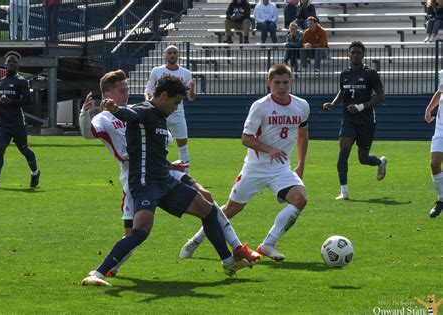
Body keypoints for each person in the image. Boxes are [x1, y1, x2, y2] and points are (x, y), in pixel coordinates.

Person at [79, 70, 259, 278]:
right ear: (164, 96)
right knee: (138, 234)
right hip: (143, 181)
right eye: (175, 102)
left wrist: (170, 166)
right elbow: (128, 116)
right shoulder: (141, 110)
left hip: (164, 178)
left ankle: (229, 260)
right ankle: (100, 273)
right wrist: (112, 109)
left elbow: (149, 147)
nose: (176, 108)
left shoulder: (160, 116)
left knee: (207, 208)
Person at [180, 64, 310, 262]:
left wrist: (300, 164)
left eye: (285, 82)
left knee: (300, 199)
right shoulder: (260, 106)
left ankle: (268, 244)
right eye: (277, 83)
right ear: (269, 84)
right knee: (230, 210)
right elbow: (246, 138)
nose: (281, 87)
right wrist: (269, 149)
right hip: (255, 169)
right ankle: (195, 241)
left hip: (281, 169)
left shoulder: (302, 106)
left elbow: (303, 134)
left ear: (291, 82)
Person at [323, 41, 386, 200]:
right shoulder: (344, 74)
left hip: (366, 121)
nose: (355, 55)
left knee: (363, 159)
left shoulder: (371, 73)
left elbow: (380, 96)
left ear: (363, 55)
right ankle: (344, 192)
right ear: (348, 54)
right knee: (344, 147)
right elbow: (343, 92)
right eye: (353, 52)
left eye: (358, 52)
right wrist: (333, 104)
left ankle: (380, 162)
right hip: (348, 119)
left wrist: (361, 107)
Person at [0, 51, 40, 189]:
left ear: (17, 65)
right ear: (5, 64)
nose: (10, 63)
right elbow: (4, 101)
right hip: (3, 122)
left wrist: (10, 101)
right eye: (8, 61)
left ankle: (35, 172)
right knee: (0, 148)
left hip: (17, 122)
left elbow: (28, 101)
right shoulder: (2, 81)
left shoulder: (21, 81)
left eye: (13, 61)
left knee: (24, 149)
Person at [144, 45, 195, 173]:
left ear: (179, 55)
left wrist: (192, 89)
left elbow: (191, 97)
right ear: (164, 55)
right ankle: (160, 169)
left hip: (178, 113)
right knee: (159, 142)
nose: (172, 55)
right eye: (169, 53)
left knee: (182, 144)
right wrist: (149, 104)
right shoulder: (156, 71)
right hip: (160, 113)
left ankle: (186, 174)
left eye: (174, 53)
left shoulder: (186, 73)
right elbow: (148, 90)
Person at [424, 70, 443, 218]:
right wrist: (429, 108)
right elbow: (440, 90)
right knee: (434, 163)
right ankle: (441, 199)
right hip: (441, 127)